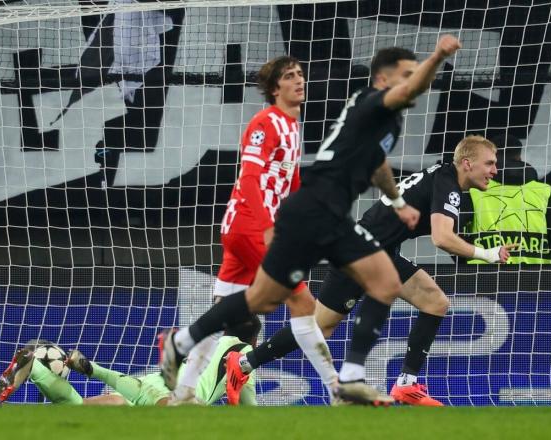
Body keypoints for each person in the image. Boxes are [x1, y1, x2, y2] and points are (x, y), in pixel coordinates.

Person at [160, 36, 463, 406]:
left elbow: (377, 164)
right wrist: (438, 56)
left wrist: (398, 200)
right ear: (384, 80)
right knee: (271, 300)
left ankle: (347, 381)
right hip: (309, 214)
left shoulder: (382, 121)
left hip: (326, 214)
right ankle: (339, 382)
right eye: (407, 74)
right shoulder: (373, 102)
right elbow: (252, 177)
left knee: (368, 284)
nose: (415, 81)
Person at [227, 135, 515, 407]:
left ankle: (406, 384)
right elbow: (442, 238)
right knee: (319, 328)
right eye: (489, 163)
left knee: (435, 301)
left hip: (380, 253)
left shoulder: (444, 179)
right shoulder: (448, 184)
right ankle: (243, 363)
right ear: (467, 163)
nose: (494, 169)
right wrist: (487, 254)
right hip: (359, 253)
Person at [161, 56, 340, 404]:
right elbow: (250, 177)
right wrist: (269, 228)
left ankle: (184, 390)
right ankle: (337, 389)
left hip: (248, 228)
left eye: (301, 74)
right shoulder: (266, 122)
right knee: (302, 301)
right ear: (275, 88)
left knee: (222, 314)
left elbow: (291, 180)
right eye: (290, 76)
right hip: (250, 227)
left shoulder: (292, 125)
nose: (299, 81)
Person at [0, 317, 260, 406]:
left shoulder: (204, 343)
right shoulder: (244, 352)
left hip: (146, 384)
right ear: (255, 340)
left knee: (102, 405)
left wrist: (93, 369)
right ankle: (40, 372)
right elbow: (250, 411)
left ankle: (37, 370)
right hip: (179, 400)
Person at [462, 133, 551, 264]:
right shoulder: (544, 192)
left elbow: (452, 238)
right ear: (519, 157)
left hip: (481, 279)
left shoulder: (473, 191)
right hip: (536, 279)